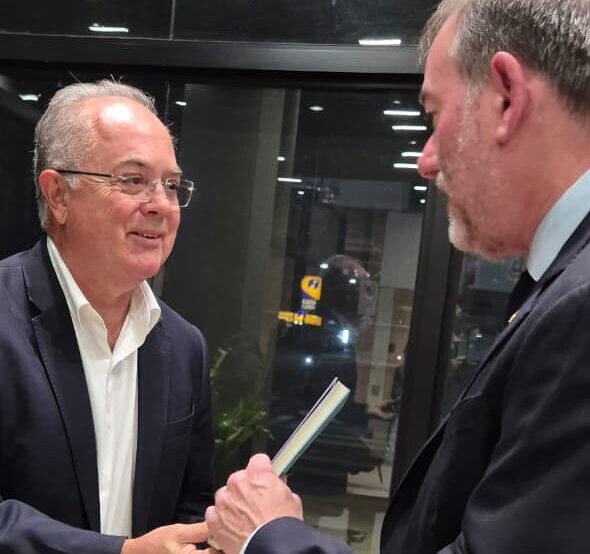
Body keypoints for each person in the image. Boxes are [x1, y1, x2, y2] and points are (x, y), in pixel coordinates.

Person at [205, 0, 590, 552]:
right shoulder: (558, 285)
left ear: (507, 98)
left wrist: (268, 535)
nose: (424, 160)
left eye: (433, 116)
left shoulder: (580, 306)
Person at [0, 80, 213, 553]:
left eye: (171, 185)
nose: (160, 205)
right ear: (58, 195)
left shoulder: (185, 348)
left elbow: (190, 508)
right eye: (133, 180)